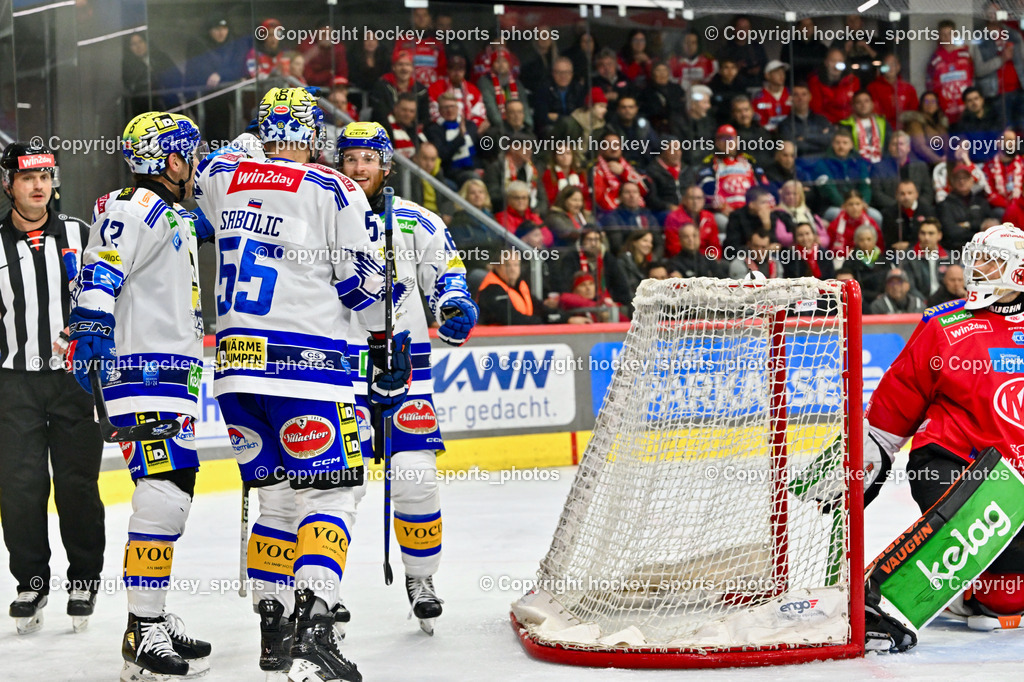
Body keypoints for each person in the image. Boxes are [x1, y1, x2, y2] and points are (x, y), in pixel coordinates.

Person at [194, 89, 408, 681]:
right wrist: (386, 328)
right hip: (309, 371)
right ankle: (315, 627)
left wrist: (244, 145)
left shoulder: (222, 178)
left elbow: (213, 165)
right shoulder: (330, 189)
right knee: (330, 497)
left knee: (277, 502)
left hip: (236, 372)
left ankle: (274, 624)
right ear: (314, 135)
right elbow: (361, 291)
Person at [66, 112, 210, 678]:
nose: (195, 164)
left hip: (170, 372)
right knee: (163, 491)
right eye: (189, 154)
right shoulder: (134, 207)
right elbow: (102, 269)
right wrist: (91, 328)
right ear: (171, 160)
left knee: (174, 489)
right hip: (142, 371)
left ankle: (150, 612)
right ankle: (142, 629)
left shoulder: (167, 211)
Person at [336, 121, 477, 636]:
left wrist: (454, 304)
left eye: (367, 159)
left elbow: (447, 276)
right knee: (338, 486)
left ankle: (421, 580)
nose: (358, 168)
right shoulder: (321, 216)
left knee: (416, 478)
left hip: (407, 369)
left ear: (386, 165)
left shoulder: (418, 222)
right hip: (340, 372)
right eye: (349, 159)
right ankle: (325, 590)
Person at [864, 223, 1024, 652]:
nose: (976, 268)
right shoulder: (944, 325)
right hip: (952, 463)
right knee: (994, 546)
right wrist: (868, 454)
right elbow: (897, 401)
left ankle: (975, 593)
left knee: (1004, 597)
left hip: (1018, 488)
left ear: (1019, 275)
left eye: (990, 261)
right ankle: (885, 596)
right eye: (975, 258)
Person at [0, 142, 104, 635]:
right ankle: (31, 581)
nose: (38, 185)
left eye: (45, 175)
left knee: (77, 484)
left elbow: (107, 300)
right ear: (9, 185)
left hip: (72, 382)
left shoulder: (82, 235)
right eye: (27, 178)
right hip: (12, 384)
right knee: (20, 487)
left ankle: (83, 578)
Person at [477, 250, 587, 325]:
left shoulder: (519, 285)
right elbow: (514, 319)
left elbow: (540, 308)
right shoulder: (491, 290)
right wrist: (543, 322)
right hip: (495, 342)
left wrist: (567, 318)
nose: (512, 269)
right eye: (507, 265)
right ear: (496, 266)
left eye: (516, 265)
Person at [870, 131, 934, 214]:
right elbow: (877, 194)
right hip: (890, 211)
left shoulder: (920, 166)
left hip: (919, 210)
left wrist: (916, 206)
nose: (898, 147)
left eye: (901, 144)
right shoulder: (878, 168)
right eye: (894, 144)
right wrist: (898, 207)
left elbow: (928, 192)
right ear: (889, 147)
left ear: (908, 148)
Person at [938, 163, 998, 251]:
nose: (962, 181)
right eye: (958, 178)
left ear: (972, 180)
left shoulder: (981, 202)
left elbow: (991, 227)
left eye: (965, 178)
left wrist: (967, 225)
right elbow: (951, 232)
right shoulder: (944, 205)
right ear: (952, 182)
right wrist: (979, 230)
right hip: (956, 250)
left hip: (982, 249)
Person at [423, 93, 479, 186]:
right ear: (440, 110)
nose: (449, 110)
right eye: (445, 107)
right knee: (473, 178)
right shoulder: (434, 129)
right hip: (450, 171)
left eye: (452, 106)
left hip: (473, 167)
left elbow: (478, 151)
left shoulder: (469, 125)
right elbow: (442, 155)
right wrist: (460, 137)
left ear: (457, 108)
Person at [926, 20, 974, 124]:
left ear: (955, 34)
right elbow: (930, 85)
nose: (947, 38)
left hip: (965, 105)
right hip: (945, 108)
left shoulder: (965, 54)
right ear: (939, 36)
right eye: (943, 34)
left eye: (949, 34)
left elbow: (972, 76)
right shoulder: (935, 59)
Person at [123, 33, 182, 117]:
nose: (138, 46)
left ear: (146, 42)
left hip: (171, 105)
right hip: (145, 110)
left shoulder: (161, 57)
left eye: (140, 41)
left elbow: (177, 77)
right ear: (129, 48)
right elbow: (131, 86)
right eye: (134, 44)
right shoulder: (128, 66)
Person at [427, 55, 488, 134]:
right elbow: (434, 114)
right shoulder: (435, 87)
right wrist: (452, 126)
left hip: (469, 129)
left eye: (460, 69)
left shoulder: (473, 89)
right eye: (453, 69)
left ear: (464, 71)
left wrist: (469, 127)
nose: (457, 73)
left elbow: (480, 115)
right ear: (448, 70)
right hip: (443, 129)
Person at [590, 132, 647, 215]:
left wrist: (624, 173)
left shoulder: (629, 167)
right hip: (611, 216)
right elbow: (600, 200)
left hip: (635, 212)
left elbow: (643, 189)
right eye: (609, 145)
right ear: (601, 149)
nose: (614, 149)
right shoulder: (596, 170)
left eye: (616, 145)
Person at [370, 50, 430, 127]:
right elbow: (379, 114)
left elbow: (425, 118)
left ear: (412, 68)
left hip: (413, 129)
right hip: (387, 127)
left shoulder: (421, 90)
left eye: (407, 65)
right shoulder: (381, 86)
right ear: (393, 67)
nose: (404, 68)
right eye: (400, 64)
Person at [776, 83, 834, 161]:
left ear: (810, 97)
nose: (800, 98)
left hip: (824, 163)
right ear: (790, 98)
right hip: (799, 164)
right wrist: (818, 137)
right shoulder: (785, 124)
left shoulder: (821, 120)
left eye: (804, 94)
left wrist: (805, 137)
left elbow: (830, 140)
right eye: (796, 95)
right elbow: (794, 147)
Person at [663, 184, 720, 258]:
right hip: (682, 260)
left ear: (704, 201)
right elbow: (674, 248)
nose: (695, 202)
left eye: (699, 198)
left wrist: (712, 258)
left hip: (706, 259)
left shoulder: (709, 217)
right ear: (684, 200)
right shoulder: (673, 218)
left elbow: (715, 245)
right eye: (692, 198)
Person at [882, 179, 935, 257]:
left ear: (916, 194)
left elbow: (933, 235)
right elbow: (889, 241)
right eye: (902, 194)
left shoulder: (928, 211)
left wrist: (910, 245)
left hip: (924, 252)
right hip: (898, 254)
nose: (906, 197)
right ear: (896, 196)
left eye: (910, 193)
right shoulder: (889, 214)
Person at [808, 47, 860, 124]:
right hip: (825, 125)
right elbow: (817, 110)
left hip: (850, 124)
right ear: (826, 63)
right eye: (833, 61)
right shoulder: (815, 82)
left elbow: (856, 106)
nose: (836, 65)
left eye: (840, 61)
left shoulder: (853, 81)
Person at [903, 218, 952, 298]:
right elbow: (910, 287)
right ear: (918, 235)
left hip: (944, 303)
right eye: (923, 233)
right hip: (920, 304)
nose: (926, 237)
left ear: (939, 235)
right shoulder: (908, 257)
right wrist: (925, 304)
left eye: (931, 233)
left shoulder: (948, 257)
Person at [867, 53, 919, 128]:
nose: (890, 68)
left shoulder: (908, 88)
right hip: (881, 128)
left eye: (893, 64)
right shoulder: (873, 88)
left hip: (904, 128)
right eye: (887, 65)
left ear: (898, 67)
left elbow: (914, 112)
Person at [840, 90, 889, 164]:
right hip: (856, 166)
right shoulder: (846, 125)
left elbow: (889, 146)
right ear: (853, 106)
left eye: (866, 101)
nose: (863, 105)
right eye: (859, 102)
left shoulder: (883, 123)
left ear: (872, 104)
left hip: (881, 165)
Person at [901, 91, 948, 165]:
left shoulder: (940, 124)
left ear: (938, 105)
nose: (930, 104)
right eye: (926, 101)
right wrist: (939, 161)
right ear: (921, 105)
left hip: (941, 163)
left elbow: (947, 144)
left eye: (933, 101)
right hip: (922, 164)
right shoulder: (915, 122)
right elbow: (920, 147)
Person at [751, 60, 791, 132]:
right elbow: (757, 121)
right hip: (766, 136)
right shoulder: (759, 97)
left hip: (788, 133)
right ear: (767, 75)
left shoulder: (791, 94)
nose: (781, 75)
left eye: (783, 72)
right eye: (777, 72)